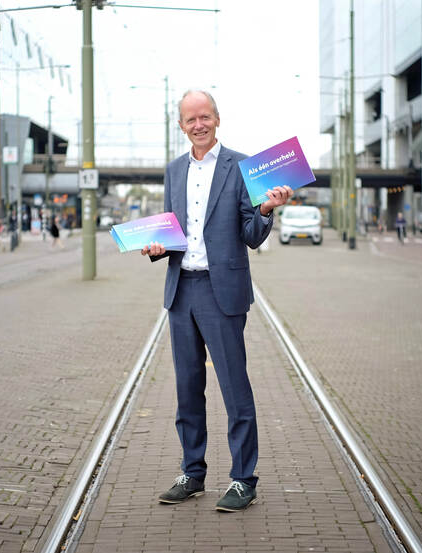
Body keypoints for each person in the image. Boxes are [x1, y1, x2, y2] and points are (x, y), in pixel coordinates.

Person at [141, 90, 293, 512]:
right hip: (180, 290)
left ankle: (244, 480)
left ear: (218, 119)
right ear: (181, 125)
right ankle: (193, 473)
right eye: (190, 119)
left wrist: (264, 209)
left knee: (234, 388)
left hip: (220, 290)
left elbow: (251, 234)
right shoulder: (173, 170)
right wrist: (157, 248)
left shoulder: (242, 167)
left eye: (204, 116)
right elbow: (173, 231)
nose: (198, 124)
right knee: (187, 389)